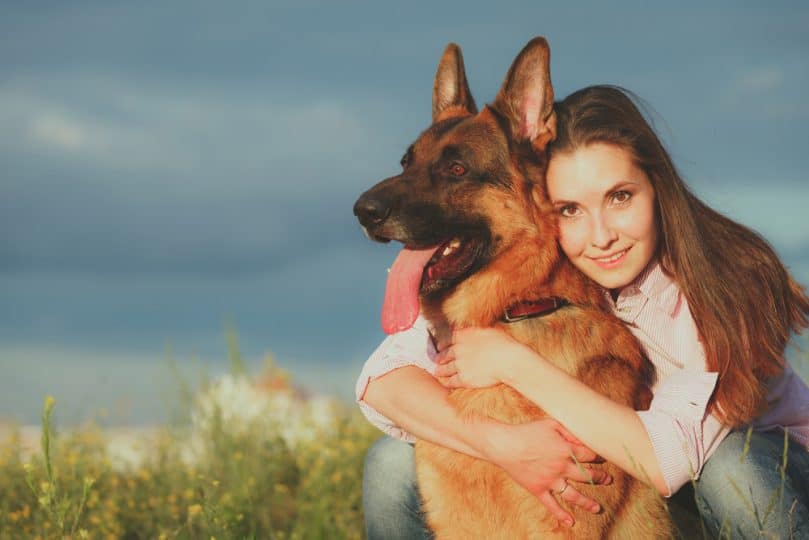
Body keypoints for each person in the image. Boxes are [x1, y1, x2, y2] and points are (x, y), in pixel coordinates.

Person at [356, 85, 809, 540]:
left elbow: (665, 459)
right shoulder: (551, 268)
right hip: (664, 477)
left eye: (620, 197)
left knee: (734, 469)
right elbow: (380, 379)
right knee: (390, 465)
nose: (600, 236)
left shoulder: (724, 281)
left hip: (761, 470)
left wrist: (509, 361)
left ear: (658, 188)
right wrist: (502, 445)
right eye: (570, 209)